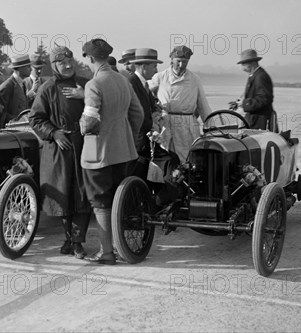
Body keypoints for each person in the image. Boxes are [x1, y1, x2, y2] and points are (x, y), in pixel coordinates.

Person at [80, 38, 144, 265]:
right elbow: (138, 114)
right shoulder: (124, 80)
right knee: (118, 200)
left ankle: (106, 252)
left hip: (98, 154)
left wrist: (80, 128)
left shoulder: (93, 85)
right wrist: (128, 136)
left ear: (89, 58)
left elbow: (89, 121)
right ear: (107, 56)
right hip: (124, 152)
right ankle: (119, 247)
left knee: (101, 203)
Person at [29, 46, 91, 259]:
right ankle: (70, 239)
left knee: (82, 194)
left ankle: (77, 242)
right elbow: (35, 119)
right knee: (64, 197)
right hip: (58, 151)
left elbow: (101, 108)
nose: (67, 66)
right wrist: (54, 133)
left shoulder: (85, 85)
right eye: (62, 63)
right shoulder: (46, 89)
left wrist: (86, 97)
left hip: (84, 147)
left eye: (70, 62)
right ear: (54, 65)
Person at [148, 45, 211, 164]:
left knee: (187, 159)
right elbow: (146, 98)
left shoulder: (194, 79)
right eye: (179, 61)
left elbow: (203, 106)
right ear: (171, 60)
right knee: (167, 159)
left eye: (185, 62)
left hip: (187, 126)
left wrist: (212, 126)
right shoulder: (160, 77)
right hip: (166, 124)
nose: (181, 65)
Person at [126, 48, 163, 176]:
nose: (156, 70)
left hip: (143, 143)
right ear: (143, 66)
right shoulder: (132, 84)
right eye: (154, 66)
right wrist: (152, 126)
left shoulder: (143, 85)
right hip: (136, 145)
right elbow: (134, 115)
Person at [229, 49, 275, 130]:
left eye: (243, 63)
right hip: (255, 121)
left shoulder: (261, 77)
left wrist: (244, 103)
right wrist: (238, 103)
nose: (242, 67)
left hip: (261, 123)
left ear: (252, 63)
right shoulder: (254, 76)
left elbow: (264, 100)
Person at [0, 54, 31, 121]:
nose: (31, 69)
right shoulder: (7, 86)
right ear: (20, 68)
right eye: (28, 66)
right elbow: (1, 112)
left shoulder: (22, 84)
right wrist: (17, 120)